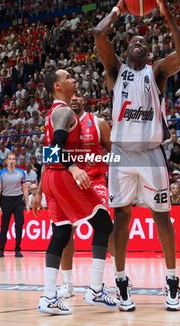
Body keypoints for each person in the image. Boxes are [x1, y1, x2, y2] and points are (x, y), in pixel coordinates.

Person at [94, 0, 180, 312]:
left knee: (162, 218)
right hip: (120, 154)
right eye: (133, 41)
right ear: (127, 49)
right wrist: (119, 9)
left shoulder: (157, 71)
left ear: (148, 52)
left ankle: (173, 282)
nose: (138, 43)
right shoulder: (115, 70)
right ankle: (121, 282)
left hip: (151, 154)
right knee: (121, 218)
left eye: (143, 42)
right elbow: (98, 34)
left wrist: (167, 16)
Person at [32, 69, 117, 315]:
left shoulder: (53, 113)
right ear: (57, 86)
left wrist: (41, 188)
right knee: (104, 224)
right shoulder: (65, 111)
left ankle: (49, 297)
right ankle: (95, 289)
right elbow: (57, 147)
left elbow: (49, 152)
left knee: (60, 233)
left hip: (50, 177)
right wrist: (73, 167)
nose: (73, 80)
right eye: (68, 77)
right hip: (62, 176)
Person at [57, 91, 114, 299]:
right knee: (66, 231)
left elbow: (113, 153)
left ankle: (118, 276)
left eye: (78, 95)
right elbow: (52, 153)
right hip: (70, 181)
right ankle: (67, 283)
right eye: (71, 95)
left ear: (84, 100)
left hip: (96, 180)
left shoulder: (98, 123)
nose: (73, 98)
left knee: (106, 228)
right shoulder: (61, 123)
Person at [0, 152, 30, 258]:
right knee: (4, 226)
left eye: (13, 159)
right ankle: (1, 250)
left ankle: (18, 249)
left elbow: (25, 189)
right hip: (6, 200)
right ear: (6, 161)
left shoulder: (21, 173)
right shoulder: (0, 174)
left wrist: (27, 204)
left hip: (18, 200)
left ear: (15, 161)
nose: (11, 161)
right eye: (10, 159)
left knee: (19, 225)